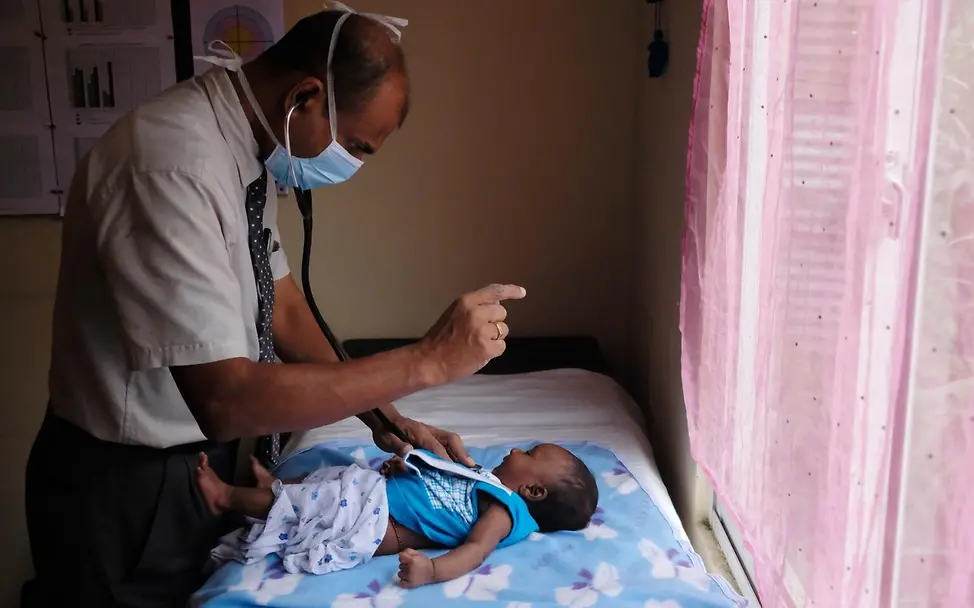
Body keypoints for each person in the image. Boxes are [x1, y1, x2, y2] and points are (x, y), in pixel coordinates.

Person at [24, 5, 525, 607]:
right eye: (357, 146)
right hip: (126, 488)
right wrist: (427, 360)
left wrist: (387, 419)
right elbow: (224, 398)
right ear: (305, 98)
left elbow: (280, 306)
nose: (355, 167)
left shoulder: (244, 153)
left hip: (194, 466)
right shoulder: (171, 166)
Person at [197, 444, 599, 588]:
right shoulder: (483, 479)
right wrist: (406, 468)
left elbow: (476, 550)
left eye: (528, 455)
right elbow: (438, 486)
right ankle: (273, 488)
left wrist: (433, 572)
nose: (514, 450)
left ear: (533, 491)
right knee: (330, 479)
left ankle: (229, 497)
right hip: (376, 492)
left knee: (315, 504)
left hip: (379, 521)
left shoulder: (505, 511)